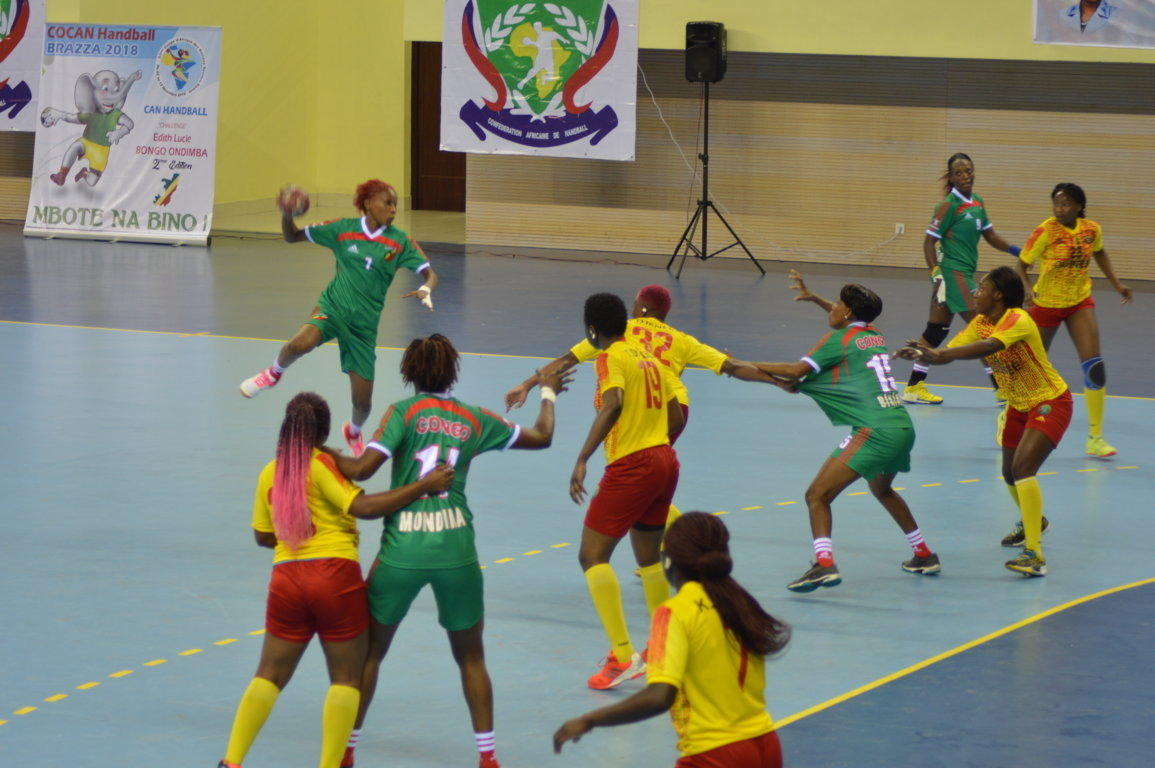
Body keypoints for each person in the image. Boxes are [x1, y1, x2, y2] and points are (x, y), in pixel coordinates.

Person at [326, 334, 572, 768]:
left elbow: (362, 469)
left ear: (409, 374)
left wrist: (314, 448)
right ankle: (488, 758)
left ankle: (346, 751)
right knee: (472, 657)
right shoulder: (475, 419)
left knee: (371, 653)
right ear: (453, 371)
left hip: (402, 550)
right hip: (457, 550)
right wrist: (547, 391)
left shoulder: (404, 413)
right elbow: (543, 436)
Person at [216, 392, 455, 768]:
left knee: (269, 675)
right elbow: (363, 507)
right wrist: (421, 487)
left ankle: (231, 761)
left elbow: (263, 536)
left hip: (286, 579)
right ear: (324, 431)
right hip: (333, 577)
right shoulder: (323, 465)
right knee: (346, 678)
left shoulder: (270, 471)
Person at [506, 284, 771, 533]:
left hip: (636, 409)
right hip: (674, 409)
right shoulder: (681, 339)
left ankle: (676, 540)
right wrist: (779, 380)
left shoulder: (619, 332)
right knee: (650, 481)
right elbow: (733, 367)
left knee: (632, 481)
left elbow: (567, 360)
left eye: (635, 304)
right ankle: (666, 543)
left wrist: (527, 385)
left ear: (642, 308)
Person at [553, 512, 790, 768]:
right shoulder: (740, 601)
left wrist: (589, 720)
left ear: (668, 560)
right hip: (766, 744)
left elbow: (659, 696)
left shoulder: (675, 611)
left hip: (714, 753)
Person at [752, 271, 940, 592]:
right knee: (882, 489)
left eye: (837, 304)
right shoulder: (874, 334)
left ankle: (824, 565)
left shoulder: (838, 341)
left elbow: (797, 371)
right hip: (901, 426)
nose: (833, 308)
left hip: (875, 430)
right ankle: (923, 554)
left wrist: (741, 362)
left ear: (848, 312)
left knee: (817, 495)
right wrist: (815, 299)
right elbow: (847, 318)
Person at [239, 180, 439, 458]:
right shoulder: (341, 230)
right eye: (388, 203)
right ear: (368, 204)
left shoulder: (399, 241)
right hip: (333, 308)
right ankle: (273, 374)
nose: (393, 210)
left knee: (363, 404)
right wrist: (287, 214)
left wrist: (425, 288)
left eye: (395, 204)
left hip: (363, 328)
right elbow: (291, 236)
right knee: (299, 344)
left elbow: (430, 272)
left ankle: (354, 432)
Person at [898, 266, 1072, 578]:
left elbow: (990, 347)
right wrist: (926, 354)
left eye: (981, 288)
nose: (975, 294)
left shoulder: (1018, 319)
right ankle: (1035, 522)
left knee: (1023, 469)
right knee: (1008, 473)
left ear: (998, 295)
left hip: (1049, 401)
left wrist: (937, 355)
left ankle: (1034, 555)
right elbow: (951, 351)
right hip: (1018, 405)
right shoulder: (980, 323)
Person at [569, 292, 683, 689]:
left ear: (591, 328)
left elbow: (613, 403)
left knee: (592, 555)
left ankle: (621, 656)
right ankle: (664, 647)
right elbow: (676, 413)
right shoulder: (648, 358)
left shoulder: (609, 357)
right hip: (665, 459)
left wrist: (583, 456)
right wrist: (655, 443)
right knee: (649, 558)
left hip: (633, 464)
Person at [1014, 182, 1132, 458]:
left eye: (1065, 203)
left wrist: (1117, 284)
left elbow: (1100, 252)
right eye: (1056, 203)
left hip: (1079, 301)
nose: (1059, 209)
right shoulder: (1045, 231)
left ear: (1079, 206)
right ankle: (1010, 419)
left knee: (1095, 367)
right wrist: (1028, 289)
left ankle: (1095, 437)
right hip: (1046, 305)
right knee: (1031, 370)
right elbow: (1021, 265)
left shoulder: (1092, 230)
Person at [902, 153, 1022, 405]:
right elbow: (928, 243)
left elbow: (990, 236)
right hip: (952, 275)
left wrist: (1017, 251)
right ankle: (1002, 389)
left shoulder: (977, 202)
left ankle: (913, 387)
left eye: (969, 170)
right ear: (951, 178)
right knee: (985, 328)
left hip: (962, 274)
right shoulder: (947, 206)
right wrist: (936, 274)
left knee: (935, 333)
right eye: (959, 173)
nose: (966, 176)